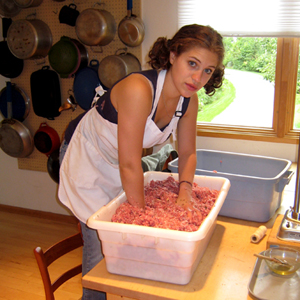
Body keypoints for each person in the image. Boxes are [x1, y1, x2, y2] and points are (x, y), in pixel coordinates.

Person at [58, 24, 225, 299]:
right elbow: (130, 164)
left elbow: (188, 153)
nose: (198, 77)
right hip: (85, 155)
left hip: (120, 162)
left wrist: (185, 193)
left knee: (123, 244)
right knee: (99, 242)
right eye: (192, 63)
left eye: (207, 70)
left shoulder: (188, 101)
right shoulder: (139, 88)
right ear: (173, 56)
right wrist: (141, 221)